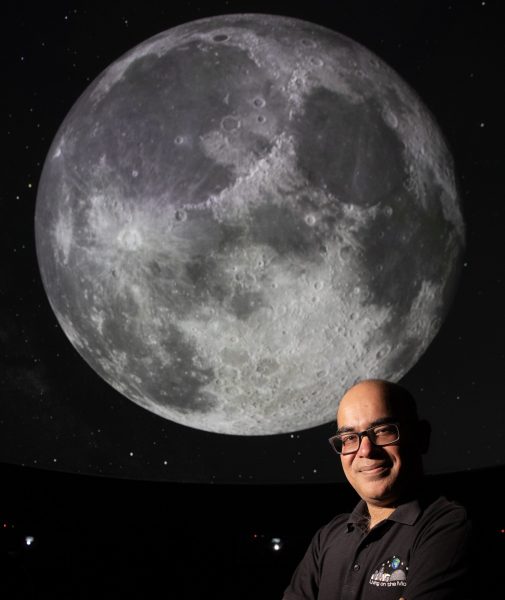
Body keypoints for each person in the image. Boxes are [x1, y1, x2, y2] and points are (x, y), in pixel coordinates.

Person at [282, 378, 472, 600]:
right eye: (349, 438)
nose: (365, 450)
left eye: (382, 431)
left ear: (421, 437)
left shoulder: (449, 526)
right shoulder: (328, 536)